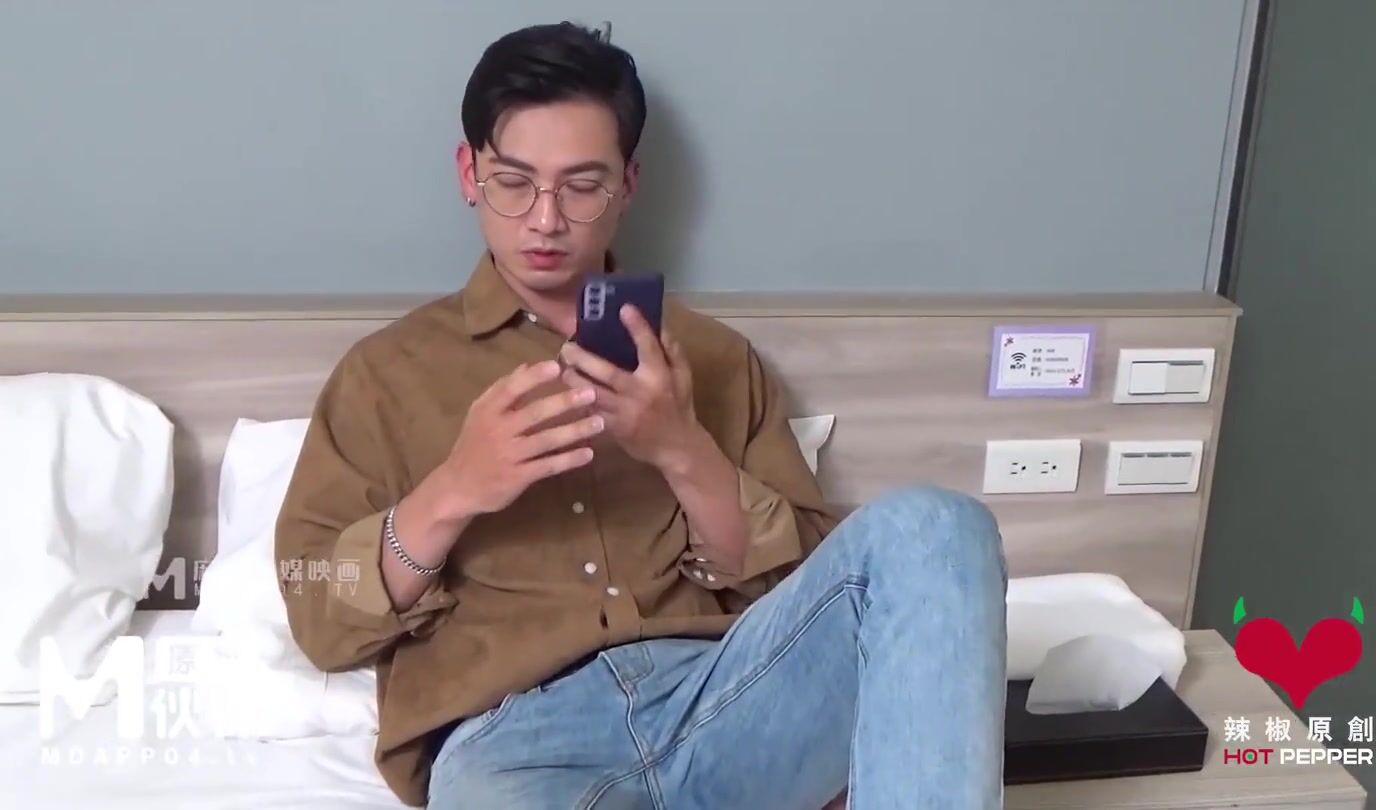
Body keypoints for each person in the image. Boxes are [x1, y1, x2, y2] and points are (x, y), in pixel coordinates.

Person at [276, 21, 1008, 810]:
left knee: (939, 526)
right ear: (468, 173)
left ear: (627, 184)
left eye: (581, 185)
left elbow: (811, 594)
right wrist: (455, 489)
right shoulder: (383, 376)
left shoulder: (712, 358)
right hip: (513, 749)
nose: (545, 219)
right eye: (514, 182)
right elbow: (317, 608)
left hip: (726, 702)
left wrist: (681, 449)